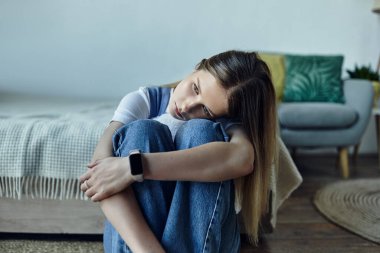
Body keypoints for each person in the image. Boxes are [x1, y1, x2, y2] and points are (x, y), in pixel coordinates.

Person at [79, 50, 278, 253]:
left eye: (206, 110)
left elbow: (242, 159)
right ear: (198, 67)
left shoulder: (225, 121)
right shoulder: (145, 101)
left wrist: (134, 166)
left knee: (201, 130)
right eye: (195, 88)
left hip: (205, 244)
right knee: (143, 130)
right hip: (139, 247)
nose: (187, 106)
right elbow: (99, 177)